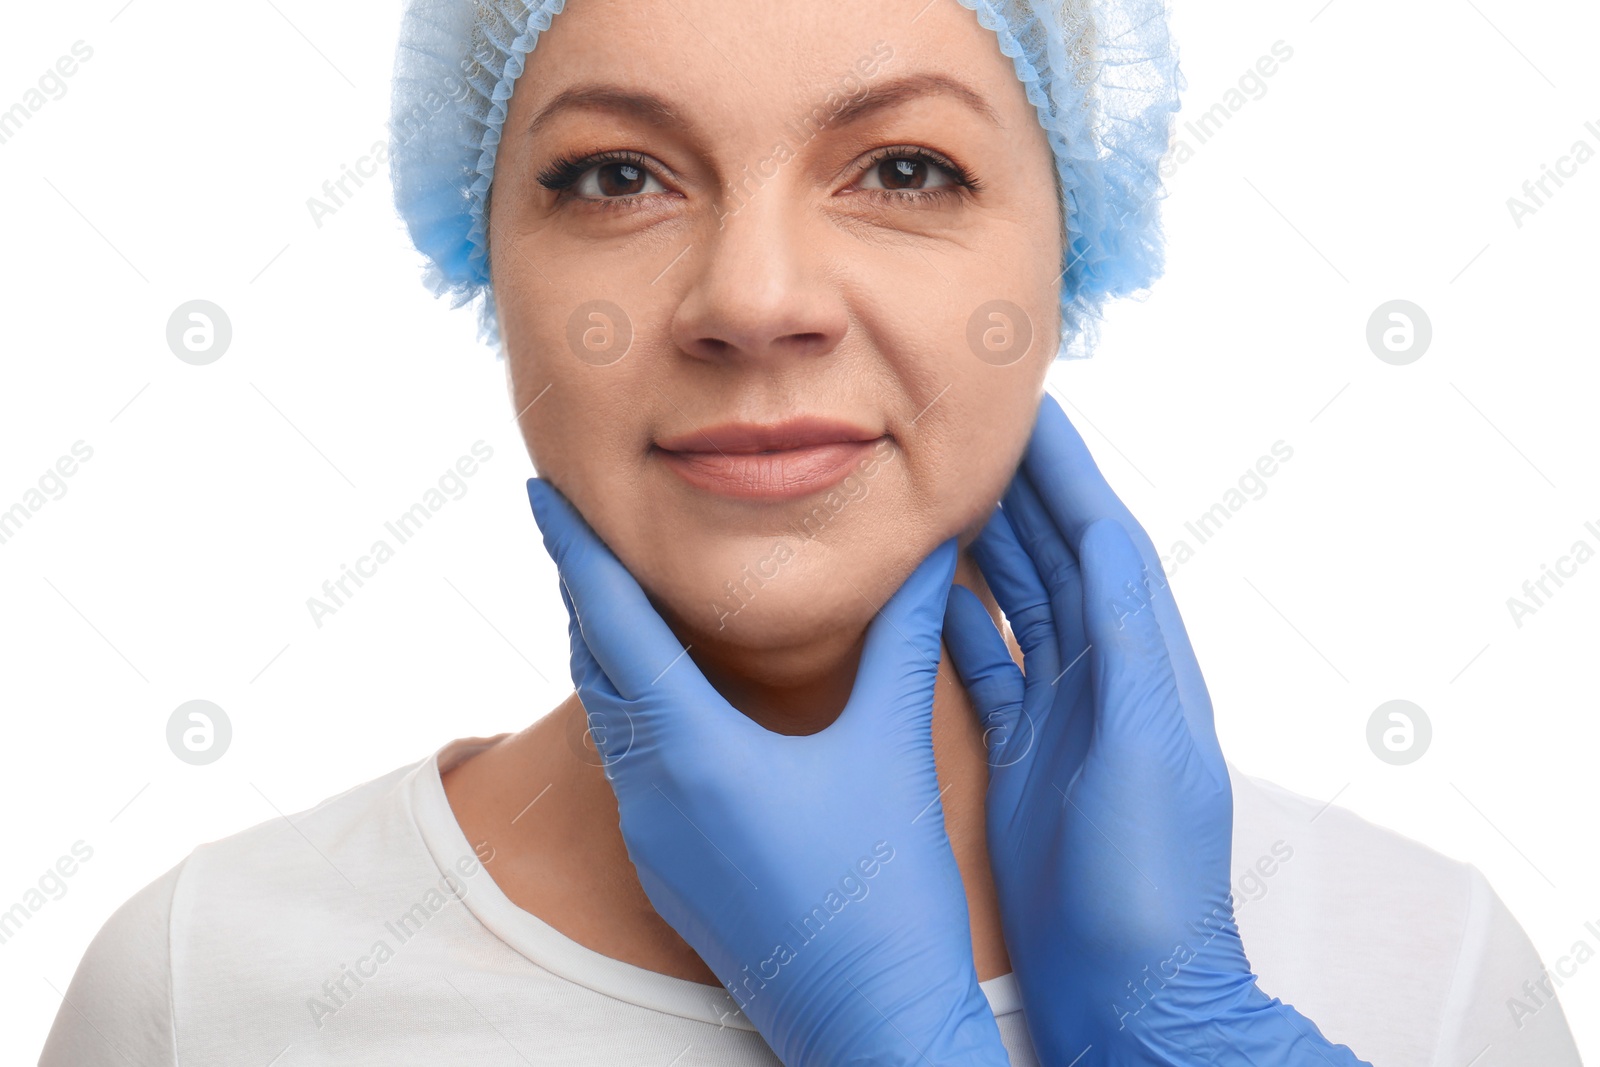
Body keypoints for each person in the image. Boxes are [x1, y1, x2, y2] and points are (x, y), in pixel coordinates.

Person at [40, 0, 1583, 1063]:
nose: (755, 300)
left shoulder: (1420, 968)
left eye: (905, 168)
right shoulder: (210, 987)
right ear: (485, 252)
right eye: (617, 175)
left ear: (1075, 245)